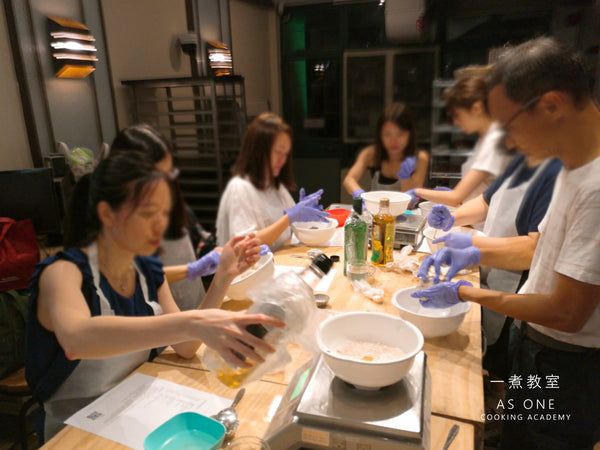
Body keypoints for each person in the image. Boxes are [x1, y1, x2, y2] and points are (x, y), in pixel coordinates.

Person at [413, 37, 600, 449]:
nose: (508, 143)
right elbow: (547, 249)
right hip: (538, 344)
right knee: (515, 433)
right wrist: (474, 250)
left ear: (551, 105)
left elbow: (568, 312)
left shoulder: (595, 184)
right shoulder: (573, 164)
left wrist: (467, 290)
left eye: (511, 126)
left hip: (568, 364)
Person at [25, 152, 285, 442]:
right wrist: (194, 321)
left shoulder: (145, 270)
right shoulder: (62, 272)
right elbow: (76, 339)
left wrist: (222, 279)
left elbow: (186, 347)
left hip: (137, 407)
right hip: (75, 427)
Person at [427, 153, 562, 379]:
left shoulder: (556, 172)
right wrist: (452, 218)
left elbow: (533, 250)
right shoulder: (521, 159)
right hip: (490, 266)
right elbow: (486, 201)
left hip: (519, 283)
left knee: (501, 364)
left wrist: (473, 249)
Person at [109, 124, 219, 311]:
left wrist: (218, 256)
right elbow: (138, 278)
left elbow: (198, 244)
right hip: (164, 326)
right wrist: (193, 269)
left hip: (193, 311)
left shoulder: (174, 206)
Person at [216, 112, 328, 251]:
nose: (283, 160)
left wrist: (303, 213)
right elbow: (243, 246)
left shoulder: (275, 185)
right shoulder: (240, 188)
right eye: (278, 152)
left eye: (286, 154)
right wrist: (289, 217)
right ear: (258, 150)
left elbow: (289, 227)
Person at [408, 67, 513, 213]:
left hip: (487, 223)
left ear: (476, 108)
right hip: (476, 219)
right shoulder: (486, 138)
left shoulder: (495, 141)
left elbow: (455, 197)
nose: (456, 122)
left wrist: (418, 192)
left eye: (457, 115)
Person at [342, 102, 429, 199]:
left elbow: (410, 202)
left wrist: (405, 177)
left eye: (400, 134)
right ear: (380, 135)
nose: (393, 141)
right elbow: (349, 179)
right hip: (377, 212)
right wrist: (358, 193)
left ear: (410, 134)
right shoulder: (371, 153)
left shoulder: (420, 158)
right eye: (387, 134)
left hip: (408, 212)